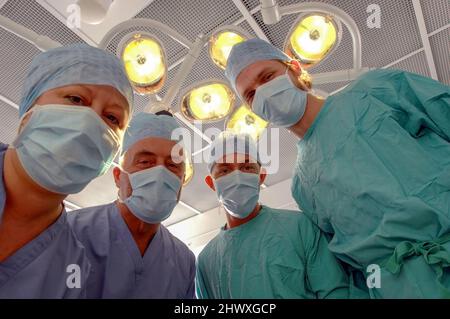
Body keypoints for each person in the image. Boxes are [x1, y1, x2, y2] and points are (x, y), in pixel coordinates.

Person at [225, 38, 450, 298]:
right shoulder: (302, 185)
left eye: (267, 76)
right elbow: (349, 268)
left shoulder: (372, 90)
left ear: (295, 68)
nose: (262, 92)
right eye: (251, 94)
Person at [0, 43, 134, 298]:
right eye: (75, 99)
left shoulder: (73, 269)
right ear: (30, 108)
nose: (90, 121)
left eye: (112, 118)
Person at [195, 132, 351, 299]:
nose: (237, 177)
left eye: (247, 168)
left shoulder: (300, 228)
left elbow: (335, 292)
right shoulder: (206, 260)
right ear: (212, 183)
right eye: (225, 170)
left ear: (261, 177)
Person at [68, 112, 196, 299]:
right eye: (145, 162)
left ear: (182, 181)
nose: (160, 172)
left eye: (172, 165)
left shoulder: (184, 260)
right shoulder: (70, 231)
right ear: (118, 176)